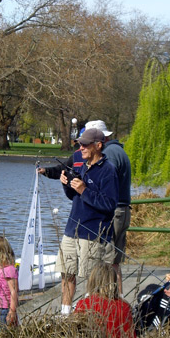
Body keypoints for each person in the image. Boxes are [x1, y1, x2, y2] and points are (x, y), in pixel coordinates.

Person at [56, 127, 119, 315]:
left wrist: (84, 190)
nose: (81, 147)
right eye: (80, 144)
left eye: (85, 144)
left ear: (98, 146)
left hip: (92, 233)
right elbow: (75, 197)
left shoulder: (108, 171)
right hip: (71, 230)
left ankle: (89, 314)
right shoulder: (83, 167)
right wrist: (66, 185)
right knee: (66, 273)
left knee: (92, 278)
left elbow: (109, 204)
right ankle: (65, 313)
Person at [83, 120, 132, 297]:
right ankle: (116, 300)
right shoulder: (119, 150)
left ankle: (105, 301)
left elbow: (102, 185)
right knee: (115, 261)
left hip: (114, 212)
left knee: (106, 259)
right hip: (123, 209)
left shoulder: (109, 154)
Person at [74, 262, 136, 338]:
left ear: (91, 281)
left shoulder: (84, 304)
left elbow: (74, 331)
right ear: (114, 282)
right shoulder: (125, 306)